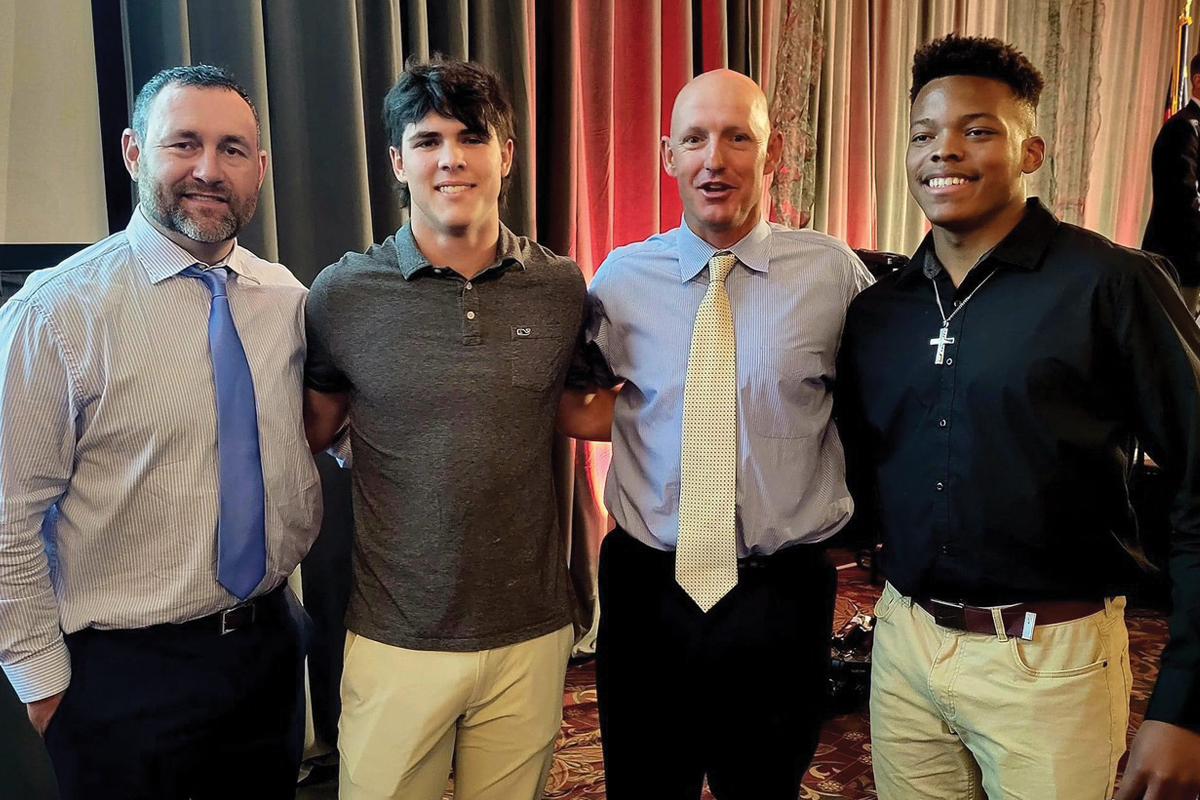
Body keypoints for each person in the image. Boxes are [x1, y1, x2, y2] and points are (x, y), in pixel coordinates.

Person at [837, 34, 1200, 800]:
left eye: (977, 130)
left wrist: (1185, 707)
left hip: (1052, 662)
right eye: (923, 135)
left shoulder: (1110, 284)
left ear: (1030, 150)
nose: (945, 152)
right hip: (904, 649)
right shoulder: (878, 311)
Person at [0, 64, 321, 799]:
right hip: (119, 681)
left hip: (268, 654)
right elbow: (5, 519)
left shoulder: (288, 299)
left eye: (233, 149)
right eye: (185, 144)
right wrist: (47, 695)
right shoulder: (55, 315)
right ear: (134, 153)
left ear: (260, 170)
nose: (209, 170)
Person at [565, 69, 872, 800]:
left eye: (740, 137)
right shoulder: (620, 278)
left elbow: (878, 409)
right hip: (648, 590)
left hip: (781, 594)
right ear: (668, 154)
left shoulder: (833, 276)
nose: (716, 158)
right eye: (696, 138)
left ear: (771, 158)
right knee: (643, 786)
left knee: (765, 786)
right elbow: (590, 402)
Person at [303, 56, 585, 800]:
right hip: (397, 636)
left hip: (531, 629)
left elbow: (589, 405)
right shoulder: (342, 294)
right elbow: (306, 430)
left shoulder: (561, 288)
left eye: (471, 137)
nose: (451, 158)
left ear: (507, 156)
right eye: (427, 140)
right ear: (398, 161)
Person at [1143, 52, 1200, 315]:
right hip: (1181, 261)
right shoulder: (1184, 128)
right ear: (1198, 80)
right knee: (1178, 346)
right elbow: (1184, 198)